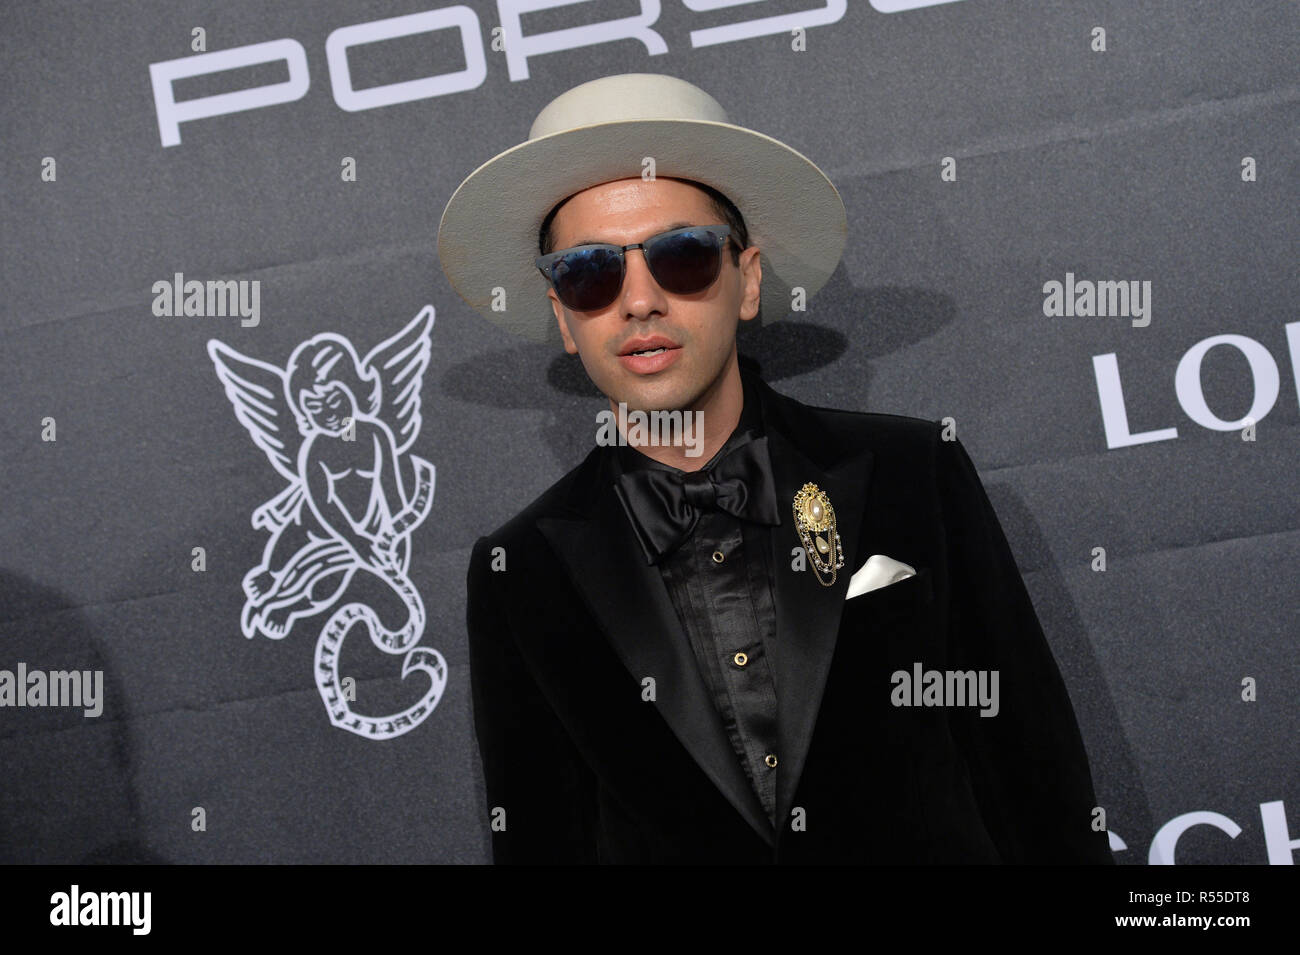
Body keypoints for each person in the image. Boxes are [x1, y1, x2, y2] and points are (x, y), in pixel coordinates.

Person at [438, 73, 1113, 864]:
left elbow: (1038, 785)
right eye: (591, 272)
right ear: (562, 314)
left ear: (747, 278)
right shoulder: (521, 568)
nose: (640, 301)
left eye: (681, 256)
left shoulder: (913, 474)